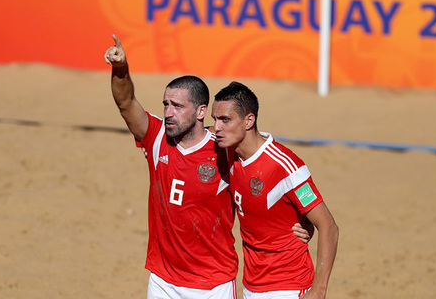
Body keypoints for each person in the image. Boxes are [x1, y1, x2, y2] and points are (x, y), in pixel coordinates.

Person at [103, 35, 312, 299]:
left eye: (178, 106)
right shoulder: (157, 138)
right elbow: (126, 102)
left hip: (213, 284)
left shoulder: (224, 148)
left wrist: (304, 221)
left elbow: (267, 176)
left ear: (201, 112)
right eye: (166, 104)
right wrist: (120, 69)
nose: (168, 112)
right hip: (162, 280)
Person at [211, 82, 339, 299]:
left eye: (225, 119)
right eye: (214, 119)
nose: (216, 127)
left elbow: (329, 226)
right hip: (252, 286)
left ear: (249, 120)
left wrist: (318, 289)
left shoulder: (286, 167)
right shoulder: (229, 154)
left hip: (288, 286)